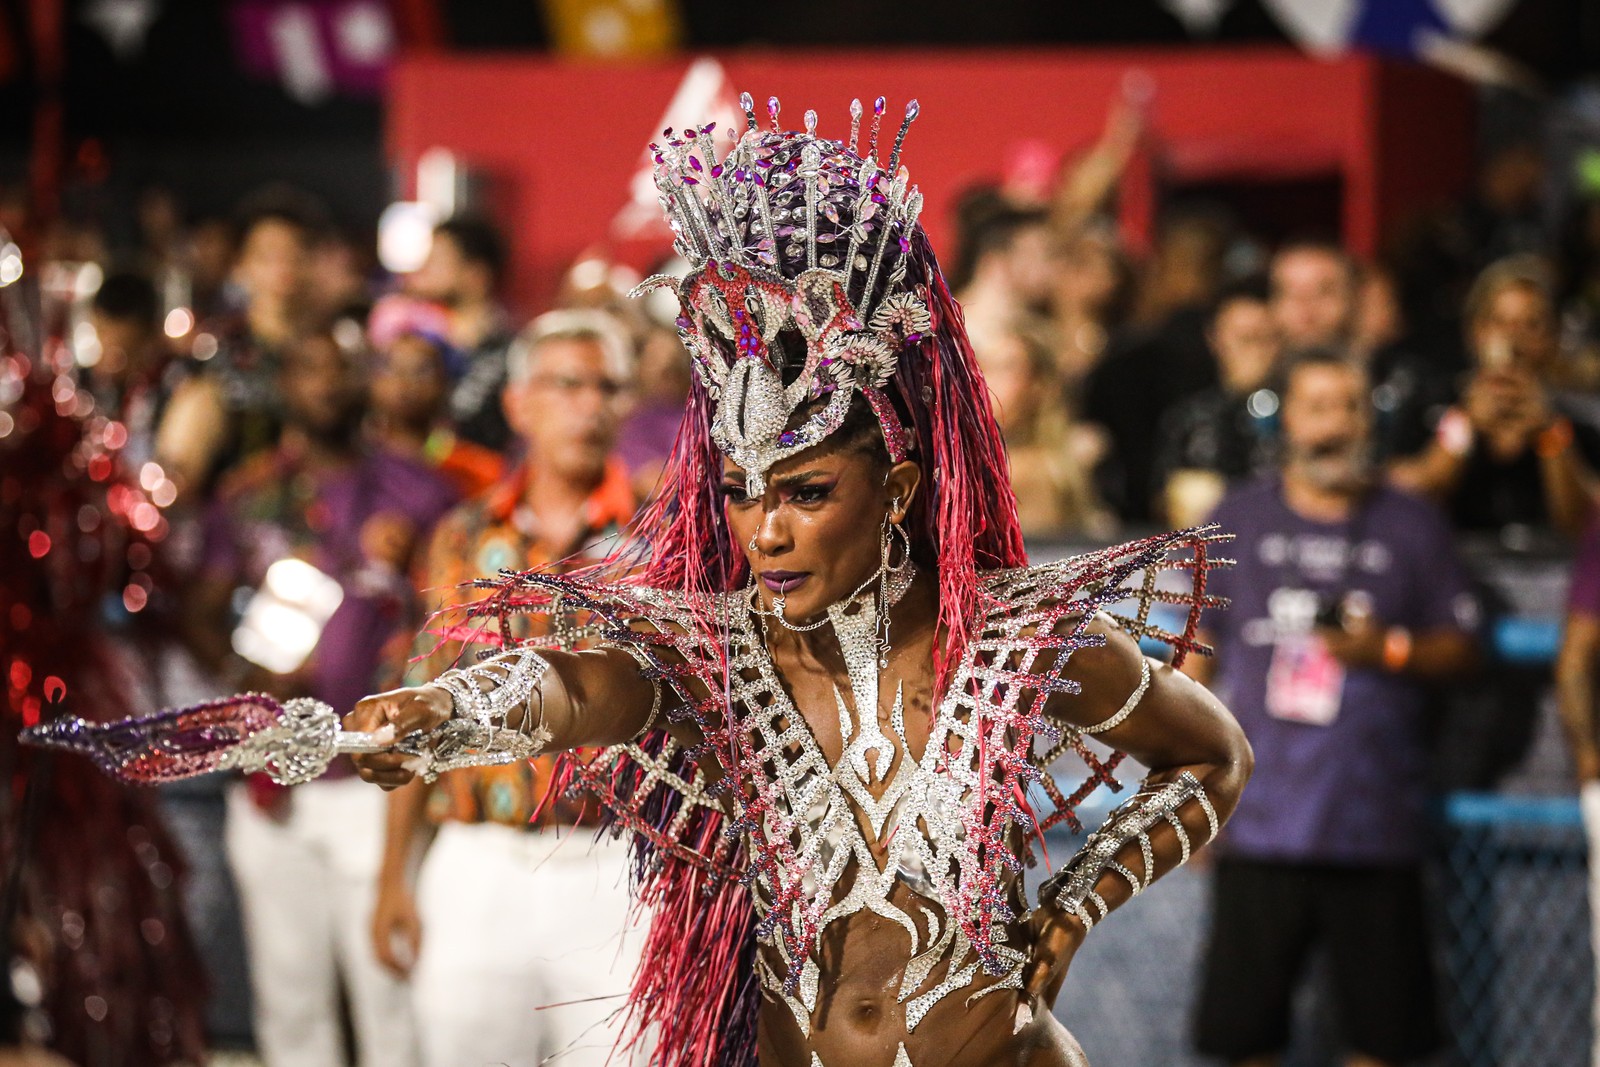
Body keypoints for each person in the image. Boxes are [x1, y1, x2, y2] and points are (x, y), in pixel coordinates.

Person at [344, 95, 1252, 1067]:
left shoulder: (1015, 637)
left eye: (807, 491)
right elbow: (572, 684)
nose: (765, 530)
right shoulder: (714, 653)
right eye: (741, 493)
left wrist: (1073, 909)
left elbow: (1210, 757)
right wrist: (449, 705)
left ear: (896, 486)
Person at [1188, 349, 1479, 1067]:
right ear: (1287, 417)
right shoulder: (1237, 517)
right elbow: (1192, 660)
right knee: (1242, 1036)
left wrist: (1391, 651)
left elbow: (1465, 646)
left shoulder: (1411, 523)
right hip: (1260, 824)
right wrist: (1187, 791)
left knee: (1383, 1038)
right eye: (1317, 406)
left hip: (1373, 824)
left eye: (1348, 407)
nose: (1333, 426)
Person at [371, 309, 647, 1067]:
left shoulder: (663, 539)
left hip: (613, 864)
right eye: (568, 384)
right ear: (519, 403)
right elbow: (421, 693)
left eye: (608, 387)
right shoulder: (464, 537)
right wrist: (394, 874)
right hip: (477, 863)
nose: (591, 404)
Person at [190, 328, 457, 1067]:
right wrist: (245, 668)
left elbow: (459, 616)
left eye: (343, 366)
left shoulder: (420, 489)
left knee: (389, 995)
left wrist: (406, 581)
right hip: (273, 777)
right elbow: (200, 611)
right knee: (289, 997)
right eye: (309, 365)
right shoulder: (249, 494)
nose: (328, 383)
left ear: (366, 378)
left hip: (377, 778)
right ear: (284, 383)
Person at [1388, 255, 1600, 539]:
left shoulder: (1579, 419)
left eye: (1531, 324)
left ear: (1552, 337)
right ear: (1475, 332)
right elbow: (1406, 502)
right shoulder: (1431, 404)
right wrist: (1466, 423)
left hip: (1551, 572)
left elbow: (1581, 522)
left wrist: (1548, 432)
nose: (1514, 339)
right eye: (1500, 322)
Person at [157, 191, 319, 494]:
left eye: (294, 253)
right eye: (268, 255)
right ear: (242, 266)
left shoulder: (333, 351)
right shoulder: (214, 354)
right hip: (232, 516)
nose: (282, 267)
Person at [1152, 275, 1282, 527]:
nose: (1254, 351)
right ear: (1214, 338)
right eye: (1244, 338)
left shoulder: (1299, 413)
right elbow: (1163, 498)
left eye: (1265, 338)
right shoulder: (1190, 417)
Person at [977, 325, 1114, 539]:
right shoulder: (1049, 461)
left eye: (1006, 367)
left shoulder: (1026, 470)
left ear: (1038, 387)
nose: (985, 379)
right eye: (982, 365)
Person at [366, 294, 504, 498]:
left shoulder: (477, 472)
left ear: (445, 380)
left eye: (422, 370)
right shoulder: (350, 464)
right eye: (390, 367)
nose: (405, 383)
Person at [407, 215, 517, 452]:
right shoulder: (416, 344)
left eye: (436, 259)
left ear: (475, 274)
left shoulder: (513, 353)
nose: (422, 267)